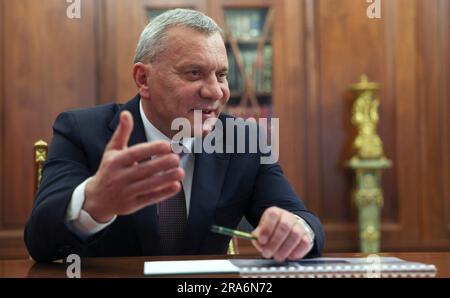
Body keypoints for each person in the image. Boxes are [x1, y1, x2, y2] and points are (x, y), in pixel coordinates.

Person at [24, 9, 324, 262]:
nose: (216, 91)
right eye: (194, 73)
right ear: (143, 79)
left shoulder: (244, 139)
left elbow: (304, 220)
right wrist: (94, 204)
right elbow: (40, 241)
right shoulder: (81, 130)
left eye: (221, 75)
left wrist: (295, 230)